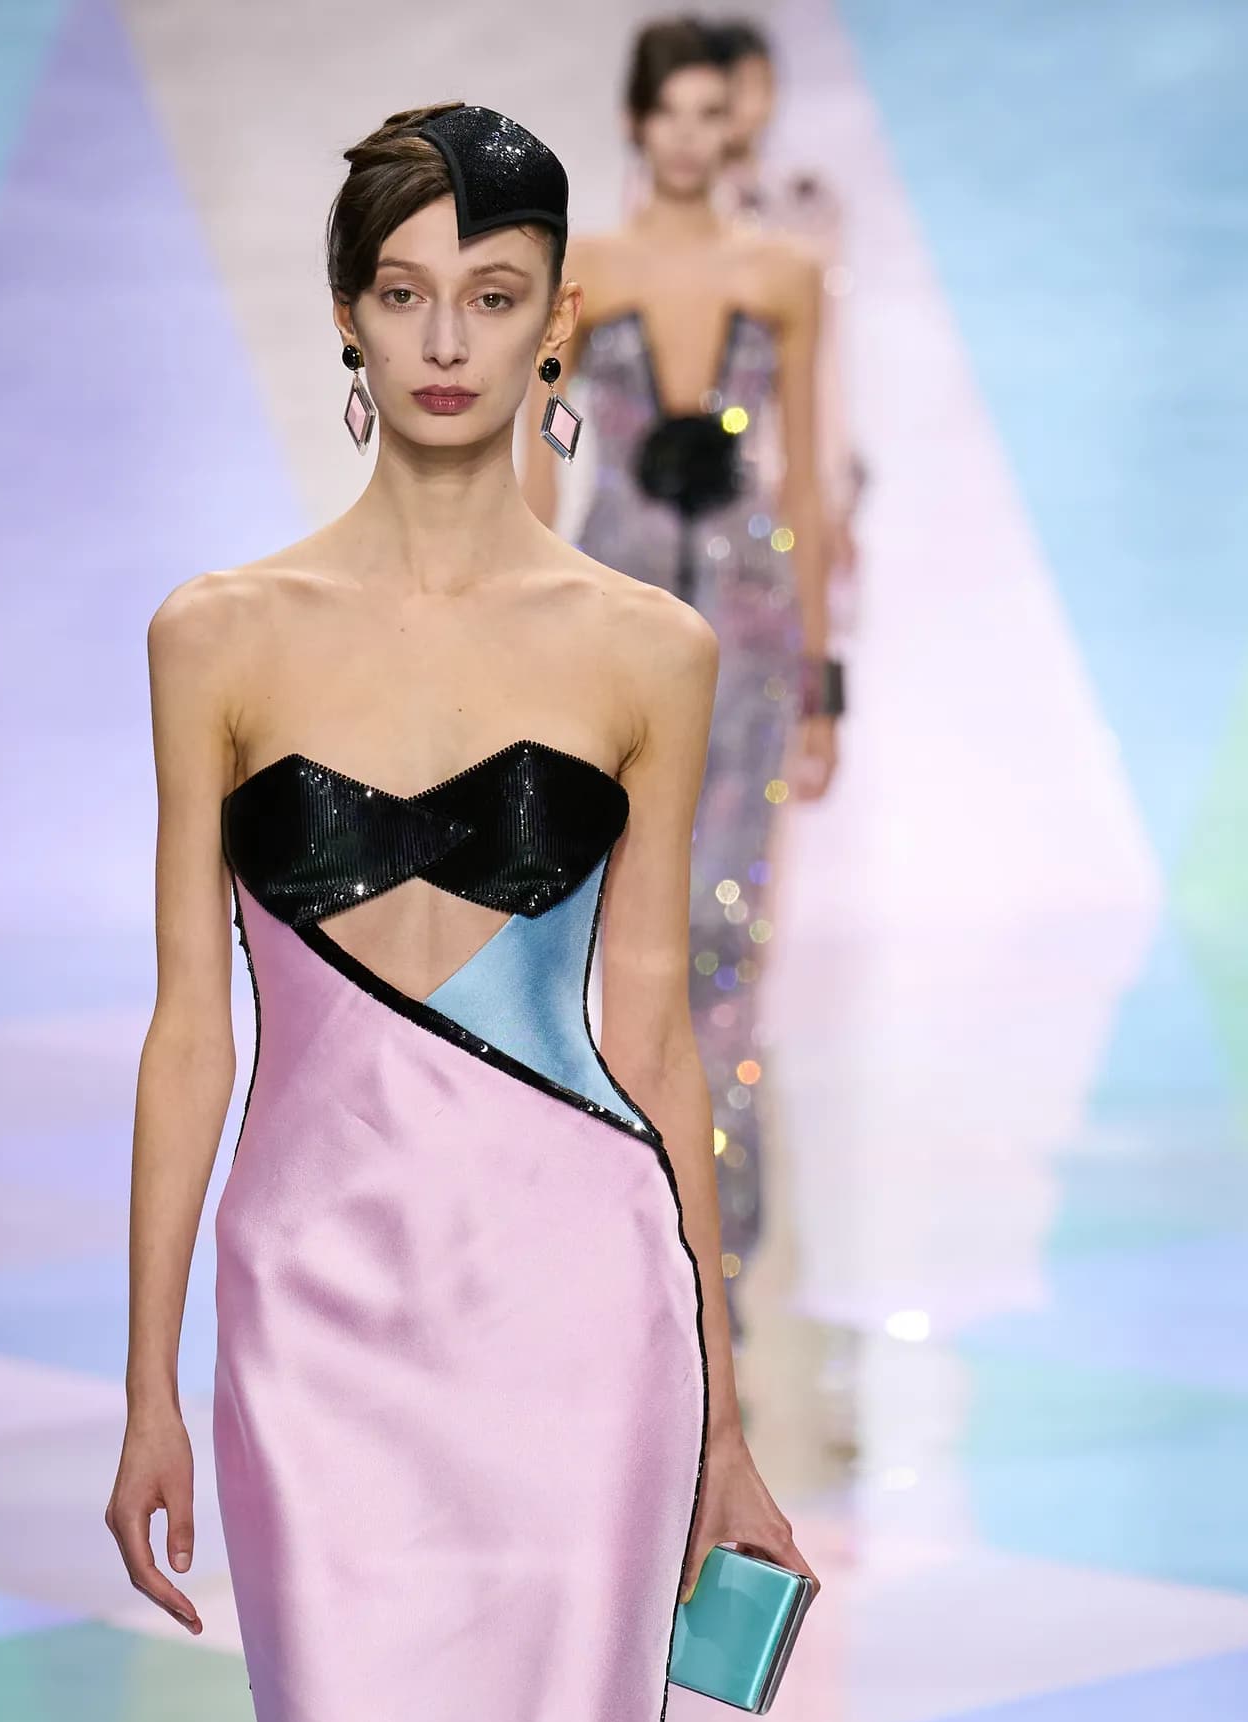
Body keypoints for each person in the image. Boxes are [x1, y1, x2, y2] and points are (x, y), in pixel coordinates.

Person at [105, 102, 813, 1722]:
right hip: (310, 1347)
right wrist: (145, 1371)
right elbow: (191, 1023)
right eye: (404, 287)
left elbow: (659, 1048)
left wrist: (727, 1413)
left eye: (492, 292)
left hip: (573, 1336)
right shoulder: (217, 635)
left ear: (548, 327)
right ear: (346, 315)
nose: (444, 335)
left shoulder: (644, 646)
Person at [527, 20, 839, 1270]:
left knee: (724, 923)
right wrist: (516, 613)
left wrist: (822, 684)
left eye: (717, 114)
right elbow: (536, 448)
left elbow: (803, 480)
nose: (695, 138)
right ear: (636, 121)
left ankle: (716, 1235)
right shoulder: (581, 273)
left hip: (750, 640)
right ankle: (614, 1214)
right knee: (602, 921)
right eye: (675, 114)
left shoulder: (786, 275)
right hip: (606, 629)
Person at [709, 18, 864, 588]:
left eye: (763, 85)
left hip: (798, 456)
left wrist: (833, 488)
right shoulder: (672, 205)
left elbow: (827, 359)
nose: (752, 103)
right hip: (707, 464)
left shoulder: (807, 204)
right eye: (737, 86)